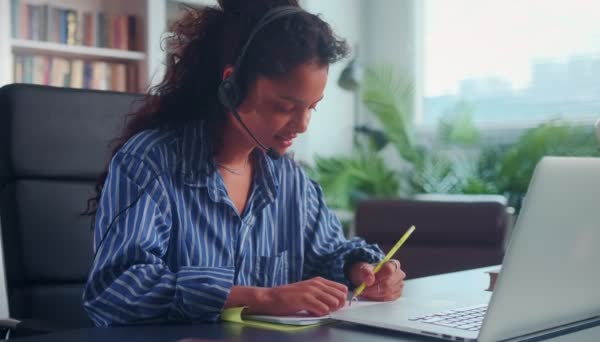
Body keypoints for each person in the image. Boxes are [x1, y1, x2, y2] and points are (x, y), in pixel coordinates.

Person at [83, 0, 406, 327]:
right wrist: (261, 298)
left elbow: (330, 253)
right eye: (284, 106)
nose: (303, 124)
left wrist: (362, 270)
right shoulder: (150, 162)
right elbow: (116, 290)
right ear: (232, 85)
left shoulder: (290, 181)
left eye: (312, 107)